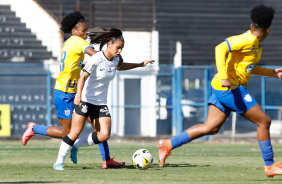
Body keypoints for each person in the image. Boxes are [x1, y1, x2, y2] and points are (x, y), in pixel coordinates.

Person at [157, 4, 282, 178]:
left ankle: (168, 144)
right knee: (264, 121)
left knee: (211, 128)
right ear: (268, 30)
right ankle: (269, 165)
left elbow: (246, 67)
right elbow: (220, 48)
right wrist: (224, 76)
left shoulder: (254, 44)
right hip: (229, 88)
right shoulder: (249, 40)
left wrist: (271, 73)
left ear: (253, 25)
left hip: (221, 87)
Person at [21, 11, 125, 168]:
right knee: (67, 133)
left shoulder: (69, 42)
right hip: (64, 93)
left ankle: (107, 159)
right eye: (83, 30)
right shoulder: (77, 41)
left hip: (75, 92)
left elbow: (77, 63)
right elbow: (97, 56)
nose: (85, 33)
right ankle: (34, 128)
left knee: (99, 128)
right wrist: (112, 54)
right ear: (74, 30)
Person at [52, 27, 154, 170]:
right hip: (86, 100)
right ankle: (59, 162)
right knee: (74, 132)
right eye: (118, 47)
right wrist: (79, 96)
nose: (119, 51)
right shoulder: (97, 58)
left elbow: (121, 66)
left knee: (104, 134)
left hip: (100, 104)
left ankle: (75, 146)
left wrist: (140, 64)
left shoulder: (116, 59)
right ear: (109, 44)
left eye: (121, 48)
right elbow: (83, 77)